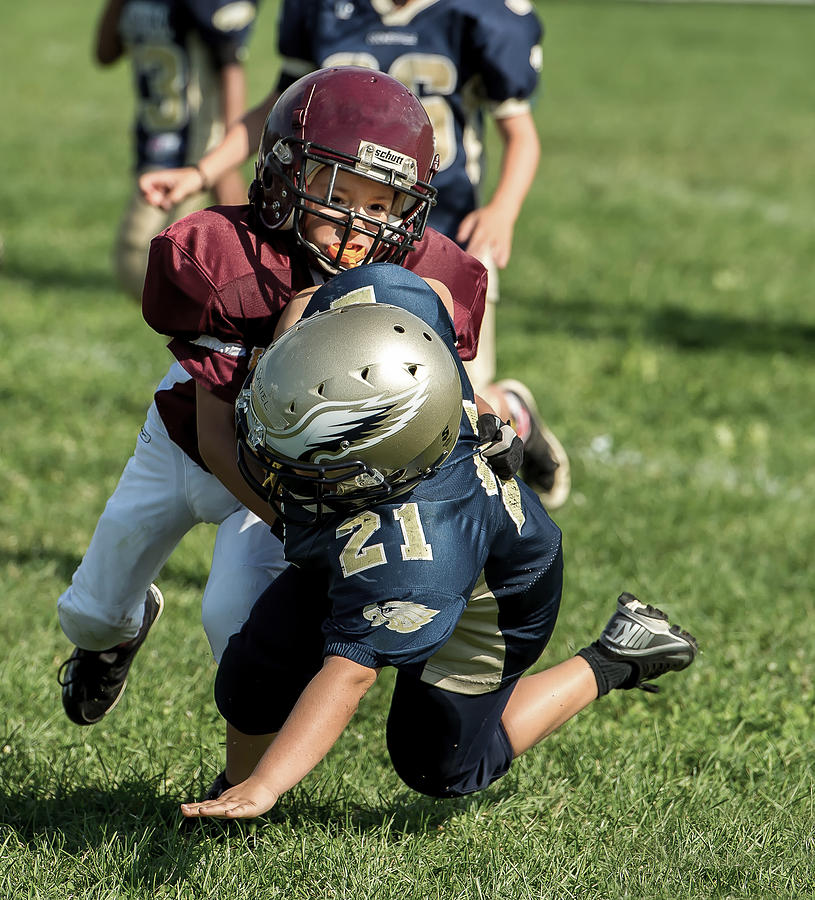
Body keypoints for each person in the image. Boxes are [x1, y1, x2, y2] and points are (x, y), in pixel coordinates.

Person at [57, 68, 515, 730]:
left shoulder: (418, 279)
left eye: (382, 205)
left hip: (293, 467)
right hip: (194, 444)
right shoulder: (226, 259)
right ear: (282, 177)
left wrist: (477, 426)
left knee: (237, 617)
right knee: (88, 614)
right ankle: (115, 639)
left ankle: (255, 769)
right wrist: (294, 527)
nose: (359, 224)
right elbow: (217, 441)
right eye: (337, 194)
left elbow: (432, 391)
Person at [179, 265, 697, 819]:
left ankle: (614, 656)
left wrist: (270, 785)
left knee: (436, 762)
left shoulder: (417, 551)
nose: (276, 464)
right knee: (261, 664)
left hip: (492, 594)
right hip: (382, 523)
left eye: (312, 460)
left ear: (373, 468)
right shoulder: (398, 339)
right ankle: (227, 795)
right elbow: (429, 292)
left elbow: (349, 674)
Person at [137, 0, 570, 509]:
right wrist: (202, 171)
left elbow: (520, 133)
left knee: (442, 407)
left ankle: (510, 412)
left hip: (432, 248)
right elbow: (278, 110)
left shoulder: (481, 15)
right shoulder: (322, 9)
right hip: (325, 242)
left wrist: (503, 208)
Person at [94, 0, 257, 300]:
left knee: (136, 254)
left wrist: (227, 156)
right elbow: (104, 53)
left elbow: (230, 65)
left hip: (194, 144)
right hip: (153, 139)